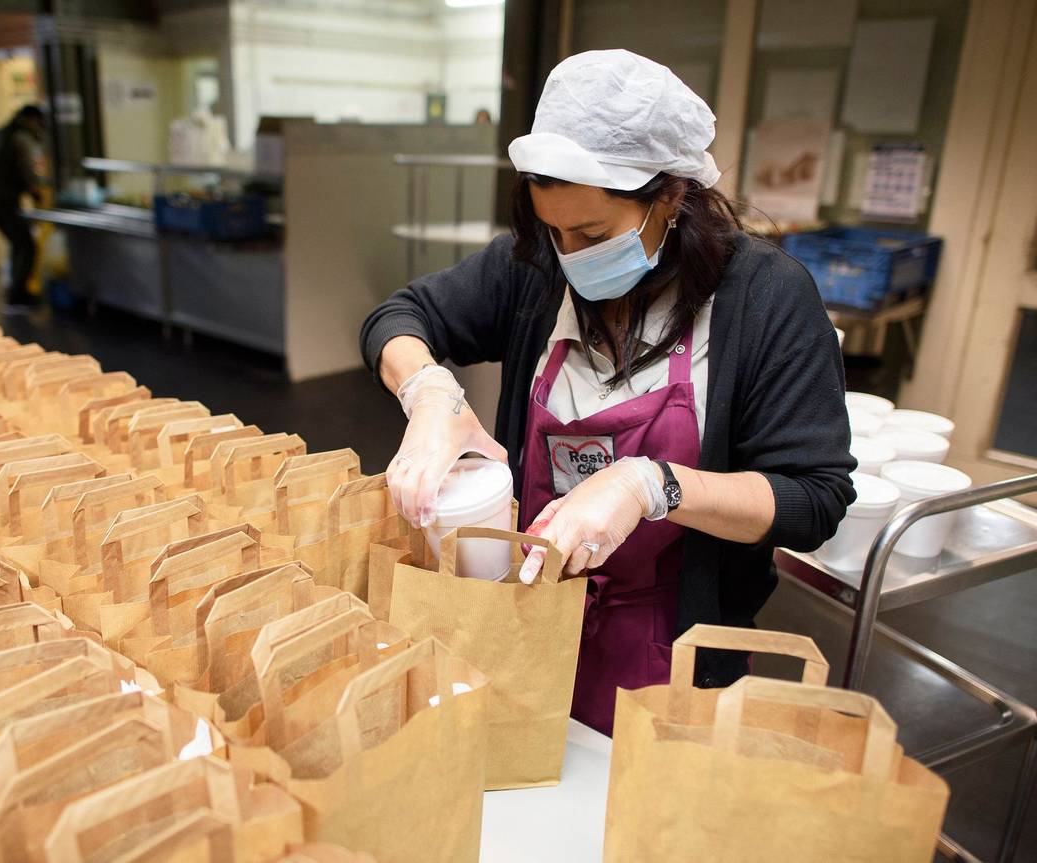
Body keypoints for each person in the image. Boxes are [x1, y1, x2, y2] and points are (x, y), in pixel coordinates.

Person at [360, 50, 855, 735]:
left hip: (671, 653)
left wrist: (651, 486)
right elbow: (399, 318)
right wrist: (428, 390)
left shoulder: (765, 299)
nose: (570, 254)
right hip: (526, 624)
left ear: (672, 196)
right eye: (554, 231)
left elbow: (813, 498)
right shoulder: (536, 270)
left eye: (593, 235)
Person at [0, 104, 47, 313]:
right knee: (26, 244)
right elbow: (27, 172)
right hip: (0, 198)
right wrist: (36, 192)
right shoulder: (20, 138)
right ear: (32, 120)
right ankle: (17, 296)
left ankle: (15, 290)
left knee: (19, 242)